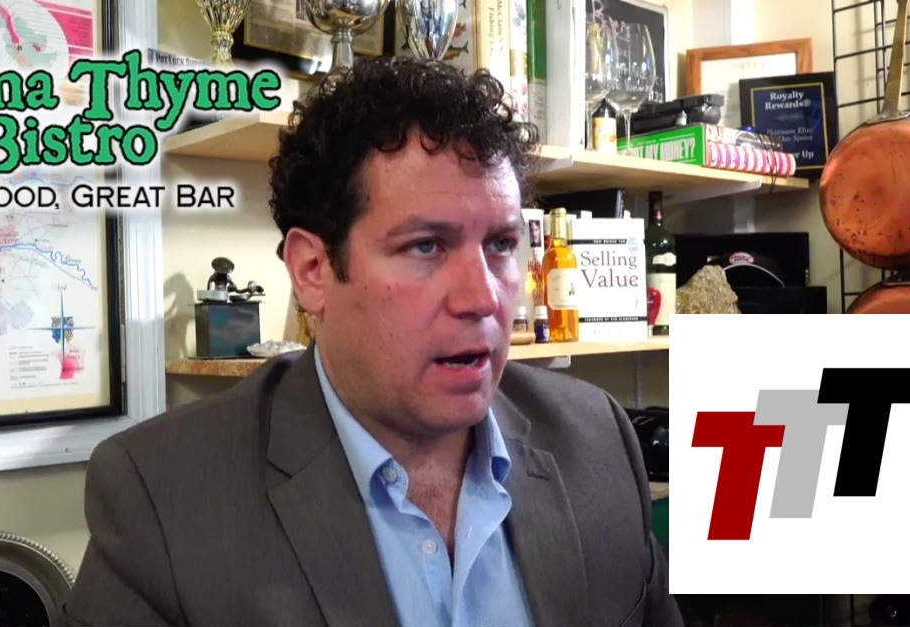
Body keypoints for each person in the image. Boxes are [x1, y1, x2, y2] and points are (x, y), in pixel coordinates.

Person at [59, 55, 683, 627]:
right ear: (313, 271)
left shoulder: (597, 439)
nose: (484, 297)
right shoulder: (161, 498)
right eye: (426, 246)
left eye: (500, 244)